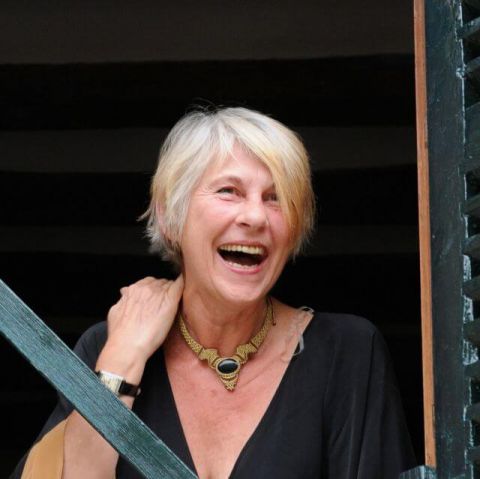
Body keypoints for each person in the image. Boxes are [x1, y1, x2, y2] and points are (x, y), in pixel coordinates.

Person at [12, 107, 416, 479]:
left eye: (276, 198)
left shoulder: (347, 351)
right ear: (170, 217)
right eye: (229, 191)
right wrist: (123, 358)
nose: (255, 216)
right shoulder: (107, 345)